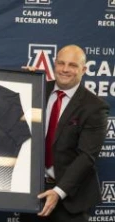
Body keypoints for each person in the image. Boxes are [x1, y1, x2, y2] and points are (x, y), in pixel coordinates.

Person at [21, 45, 109, 222]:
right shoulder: (36, 90)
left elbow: (87, 156)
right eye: (61, 63)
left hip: (71, 198)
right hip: (34, 193)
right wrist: (24, 82)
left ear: (83, 70)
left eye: (72, 65)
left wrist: (58, 192)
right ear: (54, 64)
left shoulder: (94, 107)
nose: (65, 69)